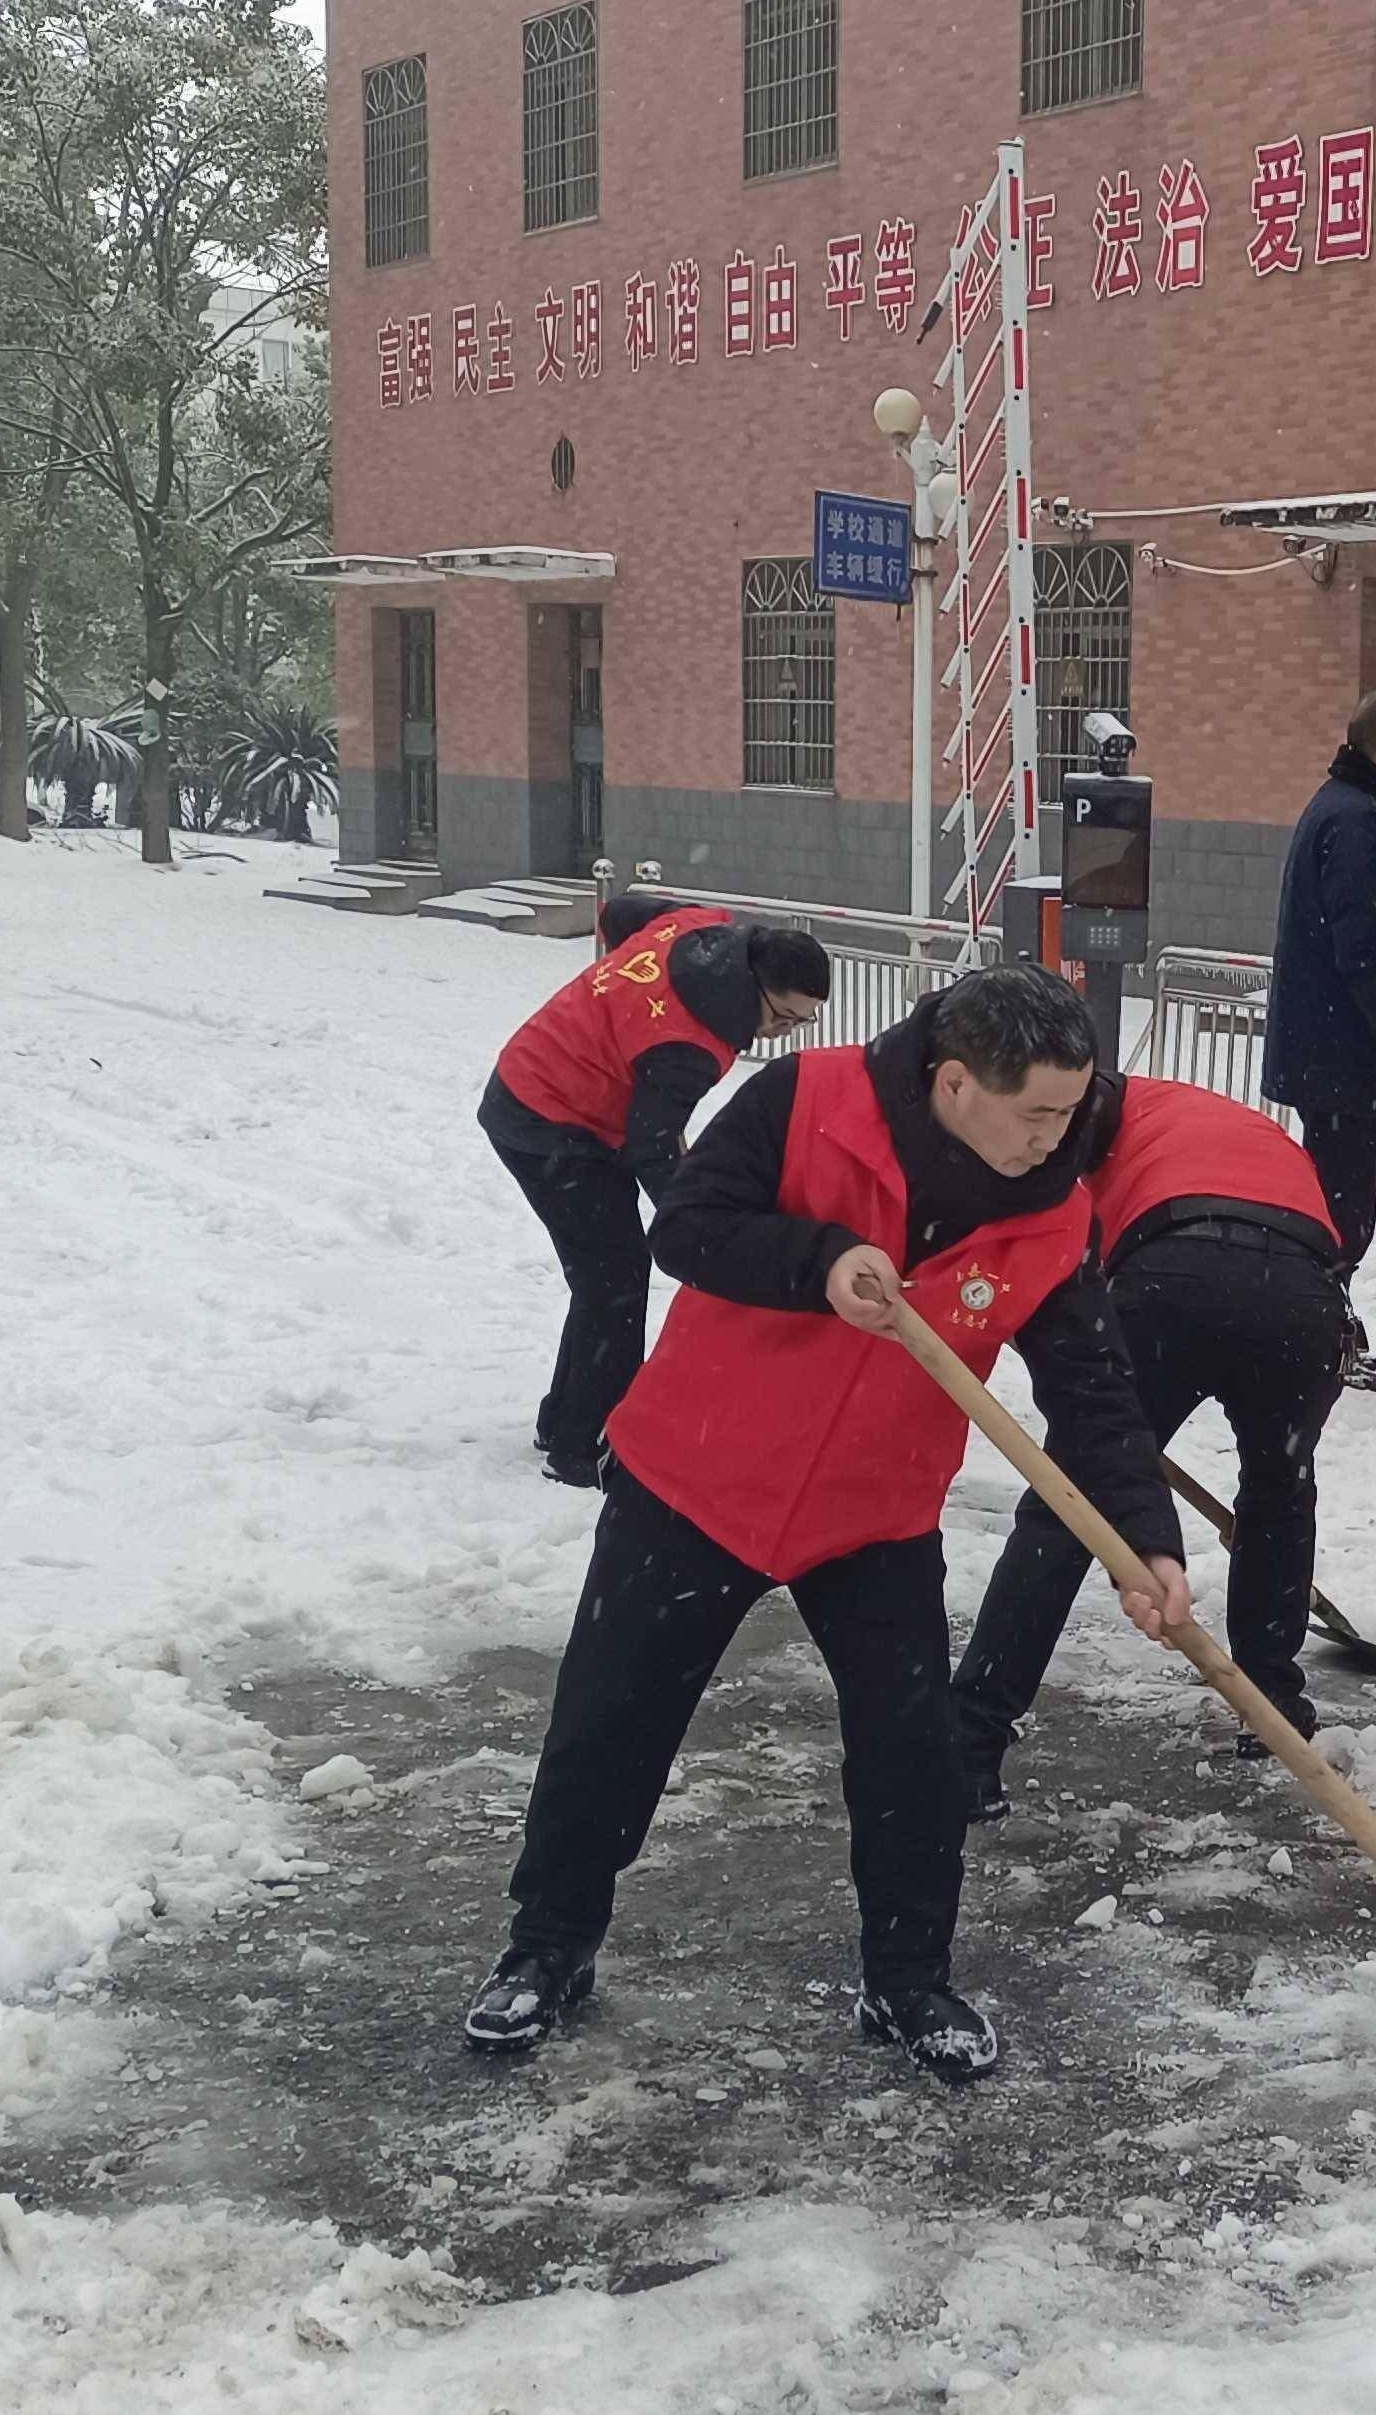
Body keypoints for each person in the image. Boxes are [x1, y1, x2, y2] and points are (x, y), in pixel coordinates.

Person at [463, 963, 1193, 2082]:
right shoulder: (806, 1100)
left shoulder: (1053, 1212)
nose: (1058, 1135)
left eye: (1072, 1108)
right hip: (696, 1477)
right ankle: (549, 1945)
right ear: (955, 1082)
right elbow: (687, 1228)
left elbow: (1093, 1391)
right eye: (1037, 1112)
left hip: (874, 1511)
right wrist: (819, 1259)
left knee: (913, 1756)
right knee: (611, 1723)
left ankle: (908, 1979)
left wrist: (1143, 1538)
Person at [954, 1074, 1348, 1810]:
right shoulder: (1211, 1117)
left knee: (1070, 1506)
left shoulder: (1089, 1133)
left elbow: (1067, 1276)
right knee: (1279, 1494)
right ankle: (1272, 1703)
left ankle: (970, 1741)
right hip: (1302, 1297)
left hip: (1172, 1274)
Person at [477, 891, 832, 1486]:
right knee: (614, 1277)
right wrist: (700, 1226)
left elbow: (620, 911)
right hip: (544, 1120)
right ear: (752, 981)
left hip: (557, 1090)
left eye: (803, 1022)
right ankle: (581, 1448)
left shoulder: (700, 925)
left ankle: (565, 1421)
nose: (783, 1033)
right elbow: (654, 1147)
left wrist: (615, 1004)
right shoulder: (686, 1045)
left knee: (606, 1273)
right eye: (784, 1017)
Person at [1264, 690, 1376, 1394]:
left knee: (1339, 1194)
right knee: (1343, 1204)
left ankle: (1319, 1321)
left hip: (1330, 1046)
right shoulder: (1359, 821)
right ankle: (1311, 1326)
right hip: (1343, 1052)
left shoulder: (1348, 809)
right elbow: (1368, 946)